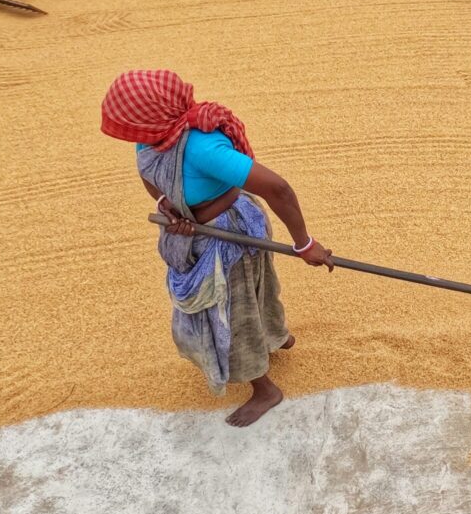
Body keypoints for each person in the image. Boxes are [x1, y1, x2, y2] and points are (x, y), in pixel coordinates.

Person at [101, 70, 334, 427]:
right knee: (246, 295)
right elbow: (149, 174)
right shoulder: (151, 137)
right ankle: (274, 337)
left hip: (231, 236)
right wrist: (168, 204)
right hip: (199, 228)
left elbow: (279, 189)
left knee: (228, 312)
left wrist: (305, 244)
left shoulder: (203, 147)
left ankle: (265, 389)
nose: (130, 136)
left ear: (153, 115)